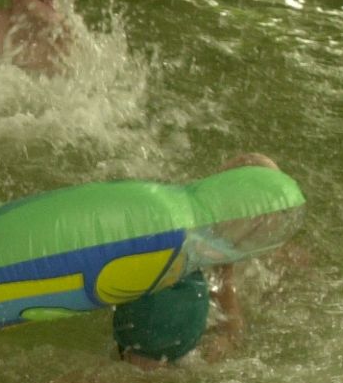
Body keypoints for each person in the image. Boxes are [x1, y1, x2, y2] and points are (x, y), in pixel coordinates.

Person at [110, 154, 280, 367]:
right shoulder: (205, 240)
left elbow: (225, 295)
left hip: (149, 318)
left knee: (134, 375)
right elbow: (230, 317)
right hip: (156, 321)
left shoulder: (208, 236)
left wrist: (227, 336)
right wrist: (229, 337)